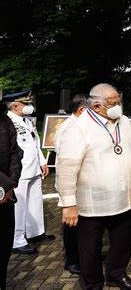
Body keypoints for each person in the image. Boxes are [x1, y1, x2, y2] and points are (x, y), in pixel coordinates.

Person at [55, 83, 131, 289]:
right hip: (92, 204)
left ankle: (116, 274)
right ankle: (93, 283)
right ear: (96, 106)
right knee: (90, 249)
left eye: (118, 101)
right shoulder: (78, 127)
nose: (117, 106)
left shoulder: (125, 122)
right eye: (112, 103)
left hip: (124, 198)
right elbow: (66, 167)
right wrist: (69, 204)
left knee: (122, 242)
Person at [5, 90, 55, 255]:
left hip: (33, 168)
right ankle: (17, 240)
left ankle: (35, 232)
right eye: (26, 103)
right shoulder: (7, 122)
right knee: (19, 206)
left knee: (35, 200)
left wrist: (42, 162)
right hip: (19, 171)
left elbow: (35, 142)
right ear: (16, 106)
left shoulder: (27, 120)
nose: (29, 106)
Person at [53, 94, 88, 275]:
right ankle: (72, 260)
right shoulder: (69, 127)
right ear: (82, 110)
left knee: (82, 224)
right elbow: (65, 159)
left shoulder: (80, 125)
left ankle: (82, 256)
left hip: (82, 183)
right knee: (72, 224)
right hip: (71, 183)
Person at [0, 113, 23, 290]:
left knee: (4, 245)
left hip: (5, 197)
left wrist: (10, 185)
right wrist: (4, 184)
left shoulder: (4, 118)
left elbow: (15, 152)